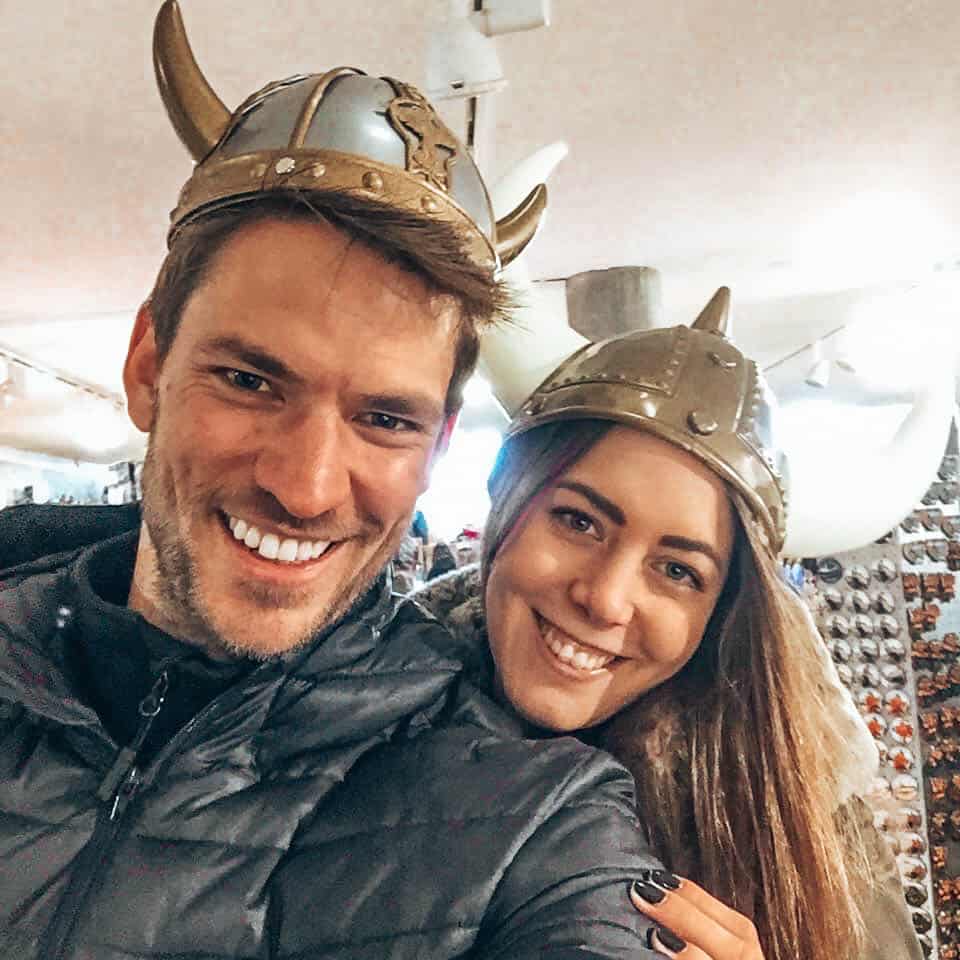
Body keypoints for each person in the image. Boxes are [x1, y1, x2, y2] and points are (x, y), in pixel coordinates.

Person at [0, 4, 669, 958]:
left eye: (385, 420)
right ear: (149, 365)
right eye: (249, 380)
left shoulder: (532, 817)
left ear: (436, 448)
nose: (308, 488)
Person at [415, 289, 923, 960]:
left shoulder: (795, 811)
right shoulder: (348, 711)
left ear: (720, 610)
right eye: (578, 521)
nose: (606, 599)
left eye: (678, 571)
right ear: (507, 499)